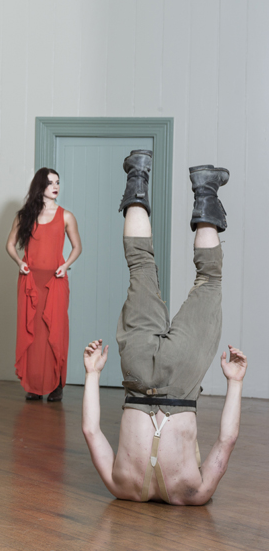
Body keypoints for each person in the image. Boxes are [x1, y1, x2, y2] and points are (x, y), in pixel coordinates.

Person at [81, 150, 247, 505]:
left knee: (210, 278)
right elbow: (90, 430)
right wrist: (92, 373)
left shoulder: (193, 493)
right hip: (138, 376)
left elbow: (227, 440)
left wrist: (235, 382)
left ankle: (206, 188)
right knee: (140, 265)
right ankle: (137, 172)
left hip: (181, 380)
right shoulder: (120, 488)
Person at [6, 168, 82, 401]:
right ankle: (33, 385)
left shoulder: (66, 216)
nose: (55, 187)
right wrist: (19, 262)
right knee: (33, 332)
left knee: (55, 332)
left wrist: (65, 265)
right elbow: (10, 245)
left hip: (55, 281)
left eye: (58, 182)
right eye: (50, 183)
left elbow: (78, 247)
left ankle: (57, 384)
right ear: (40, 187)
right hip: (30, 282)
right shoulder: (24, 216)